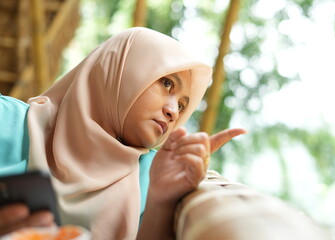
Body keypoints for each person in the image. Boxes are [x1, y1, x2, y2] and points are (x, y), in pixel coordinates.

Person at [0, 27, 245, 239]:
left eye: (182, 106)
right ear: (119, 70)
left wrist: (160, 204)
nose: (173, 112)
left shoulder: (156, 175)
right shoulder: (6, 119)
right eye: (167, 83)